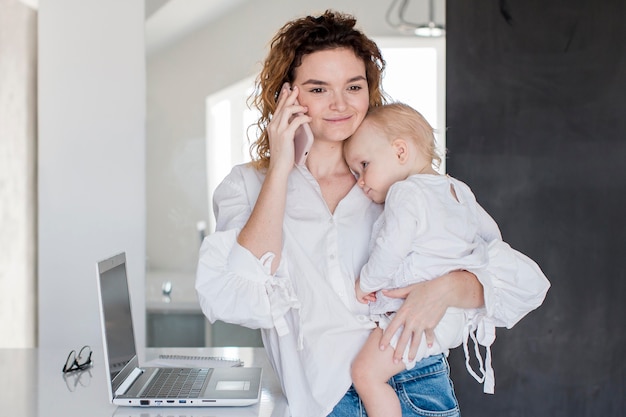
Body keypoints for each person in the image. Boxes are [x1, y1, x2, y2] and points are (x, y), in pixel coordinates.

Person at [195, 10, 550, 417]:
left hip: (416, 382)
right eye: (318, 89)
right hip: (324, 399)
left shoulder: (404, 181)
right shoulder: (246, 186)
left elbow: (516, 280)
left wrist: (448, 288)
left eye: (353, 86)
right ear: (286, 95)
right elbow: (236, 296)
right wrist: (279, 168)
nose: (340, 104)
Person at [344, 103, 502, 417]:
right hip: (451, 317)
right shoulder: (459, 190)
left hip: (413, 320)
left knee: (365, 374)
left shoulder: (405, 193)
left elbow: (392, 248)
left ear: (400, 151)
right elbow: (493, 238)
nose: (360, 181)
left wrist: (365, 283)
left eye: (364, 165)